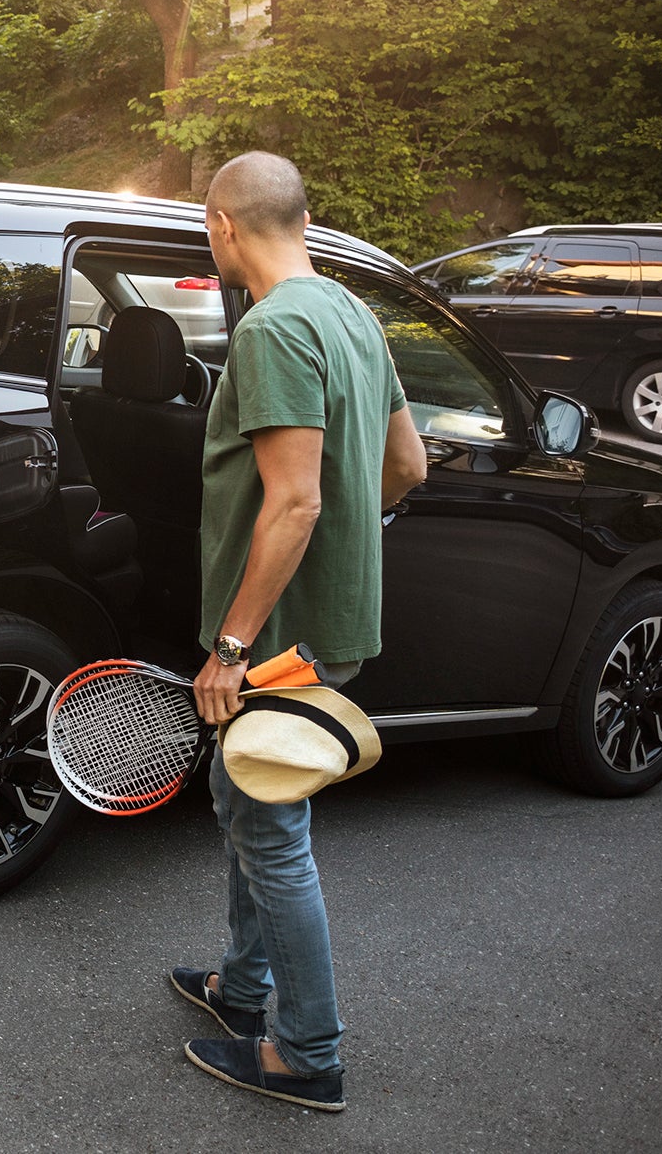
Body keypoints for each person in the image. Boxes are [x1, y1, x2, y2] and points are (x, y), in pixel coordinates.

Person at [173, 151, 427, 1112]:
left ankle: (307, 1051)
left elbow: (293, 502)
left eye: (210, 228)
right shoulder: (352, 312)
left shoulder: (274, 329)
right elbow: (409, 464)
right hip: (330, 619)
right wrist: (352, 536)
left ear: (226, 226)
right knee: (244, 793)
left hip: (280, 634)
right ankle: (242, 991)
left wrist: (231, 646)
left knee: (272, 827)